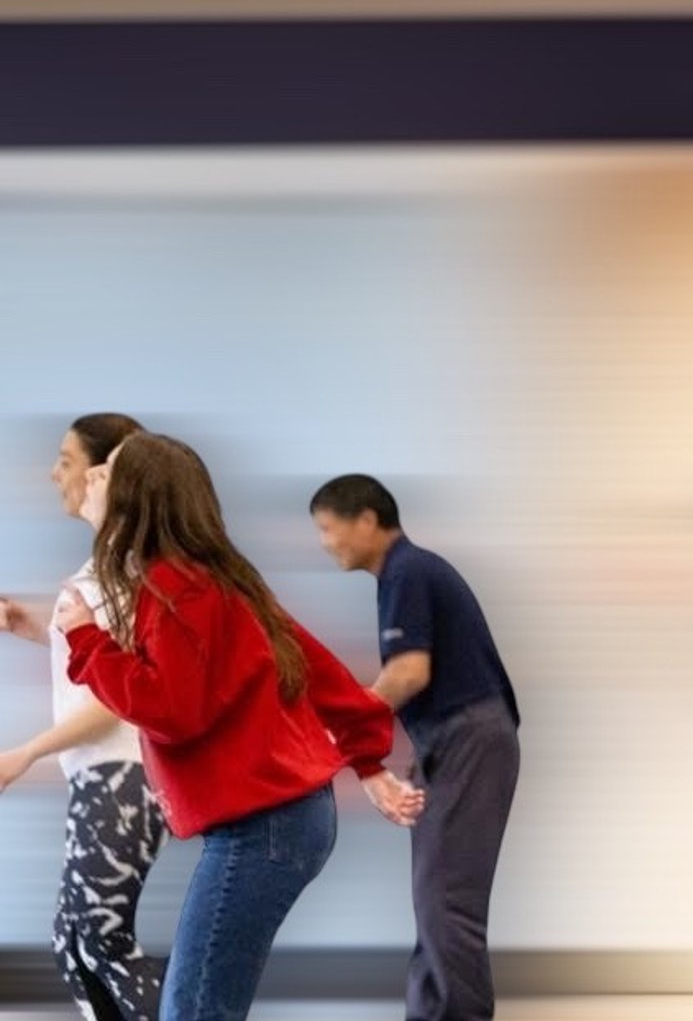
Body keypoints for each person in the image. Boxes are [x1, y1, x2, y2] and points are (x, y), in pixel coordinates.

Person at [59, 433, 423, 1020]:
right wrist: (368, 760)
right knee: (200, 1002)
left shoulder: (180, 588)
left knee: (197, 1008)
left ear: (136, 497)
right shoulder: (209, 580)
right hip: (280, 821)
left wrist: (86, 643)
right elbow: (318, 669)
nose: (92, 476)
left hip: (267, 829)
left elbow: (173, 711)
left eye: (107, 471)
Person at [310, 474, 520, 1021]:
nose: (325, 542)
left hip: (468, 735)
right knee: (435, 903)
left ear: (367, 521)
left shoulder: (408, 570)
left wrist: (345, 727)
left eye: (329, 528)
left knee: (446, 903)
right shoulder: (404, 575)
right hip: (453, 740)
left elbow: (408, 673)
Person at [0, 413, 166, 1020]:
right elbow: (103, 660)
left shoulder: (115, 569)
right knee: (75, 945)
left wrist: (25, 753)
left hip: (122, 778)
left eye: (66, 461)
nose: (54, 472)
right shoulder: (108, 567)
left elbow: (114, 698)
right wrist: (36, 631)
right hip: (105, 778)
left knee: (99, 940)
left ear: (104, 473)